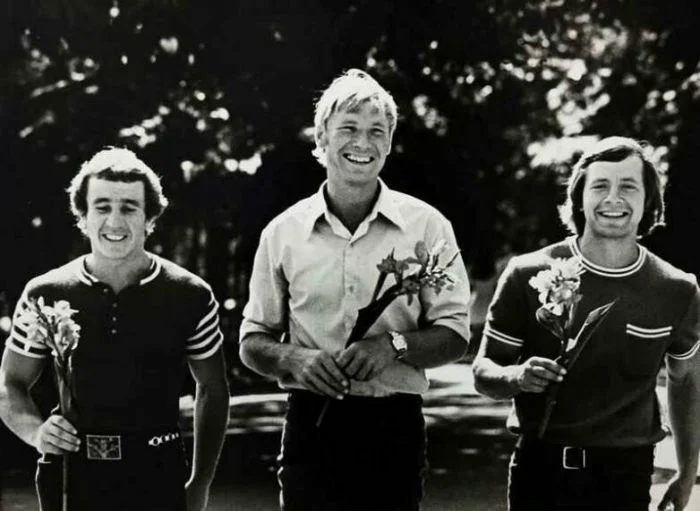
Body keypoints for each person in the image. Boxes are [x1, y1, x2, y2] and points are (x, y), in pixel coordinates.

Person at [238, 69, 471, 511]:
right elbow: (252, 342)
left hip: (394, 428)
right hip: (311, 424)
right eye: (348, 128)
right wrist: (293, 359)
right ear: (321, 138)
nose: (362, 143)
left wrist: (395, 345)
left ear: (389, 143)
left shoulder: (427, 226)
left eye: (376, 131)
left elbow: (456, 335)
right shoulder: (283, 233)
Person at [473, 136, 700, 510]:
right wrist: (516, 377)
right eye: (600, 185)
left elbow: (686, 379)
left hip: (626, 478)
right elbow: (484, 370)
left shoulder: (677, 289)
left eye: (628, 186)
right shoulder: (527, 273)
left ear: (650, 200)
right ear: (579, 196)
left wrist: (687, 471)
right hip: (540, 471)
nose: (613, 198)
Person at [0, 148, 229, 511]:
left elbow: (213, 390)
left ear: (150, 218)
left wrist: (199, 481)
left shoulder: (190, 294)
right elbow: (10, 383)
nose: (115, 221)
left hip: (157, 473)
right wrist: (35, 432)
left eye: (129, 207)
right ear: (83, 216)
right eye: (102, 207)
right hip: (70, 476)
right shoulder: (45, 293)